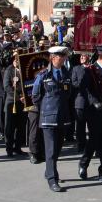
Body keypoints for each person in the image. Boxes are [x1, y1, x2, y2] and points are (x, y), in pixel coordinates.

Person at [32, 46, 73, 192]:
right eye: (60, 56)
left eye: (64, 56)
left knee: (57, 149)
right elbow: (36, 96)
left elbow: (69, 94)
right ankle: (52, 179)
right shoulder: (43, 75)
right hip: (48, 116)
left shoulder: (66, 73)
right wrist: (45, 109)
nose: (63, 58)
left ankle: (49, 171)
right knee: (50, 150)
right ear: (52, 57)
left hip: (62, 116)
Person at [78, 49, 102, 183]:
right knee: (93, 141)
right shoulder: (90, 70)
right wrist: (94, 102)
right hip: (95, 112)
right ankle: (83, 164)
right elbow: (85, 89)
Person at [2, 50, 27, 157]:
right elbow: (7, 87)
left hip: (23, 102)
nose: (17, 61)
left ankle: (18, 148)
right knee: (10, 127)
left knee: (21, 127)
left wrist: (25, 96)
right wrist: (19, 97)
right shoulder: (9, 70)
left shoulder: (24, 69)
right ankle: (9, 149)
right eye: (15, 59)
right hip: (12, 103)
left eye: (19, 58)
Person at [71, 52, 91, 153]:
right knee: (80, 125)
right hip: (80, 101)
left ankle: (92, 145)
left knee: (92, 125)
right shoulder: (76, 69)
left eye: (84, 56)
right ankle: (81, 145)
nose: (82, 58)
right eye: (81, 56)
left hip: (91, 101)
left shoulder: (92, 68)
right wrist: (82, 84)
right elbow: (73, 83)